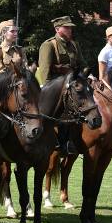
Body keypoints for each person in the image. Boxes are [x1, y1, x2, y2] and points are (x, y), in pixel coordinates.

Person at [37, 15, 87, 155]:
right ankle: (58, 141)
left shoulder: (74, 44)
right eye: (67, 27)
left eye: (71, 27)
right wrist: (48, 92)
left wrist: (83, 77)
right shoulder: (49, 45)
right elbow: (45, 70)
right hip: (56, 88)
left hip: (73, 85)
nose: (70, 30)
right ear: (58, 29)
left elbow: (83, 65)